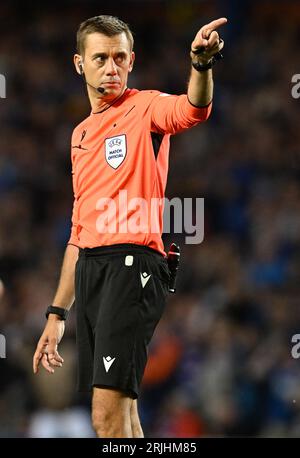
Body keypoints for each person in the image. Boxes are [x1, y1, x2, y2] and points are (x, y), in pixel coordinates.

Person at [33, 14, 227, 438]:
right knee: (123, 416)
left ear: (132, 60)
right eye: (100, 58)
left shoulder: (146, 107)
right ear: (79, 64)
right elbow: (78, 232)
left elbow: (192, 109)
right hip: (91, 272)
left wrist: (200, 65)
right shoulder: (80, 135)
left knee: (105, 417)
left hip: (132, 262)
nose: (111, 67)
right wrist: (55, 312)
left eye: (120, 57)